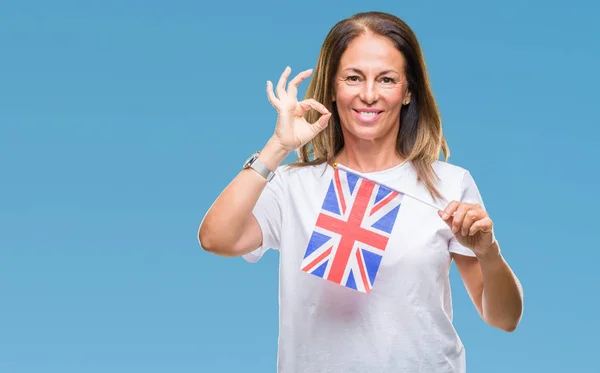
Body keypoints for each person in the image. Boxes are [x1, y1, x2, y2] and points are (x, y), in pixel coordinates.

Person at [198, 11, 523, 373]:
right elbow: (215, 238)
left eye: (386, 79)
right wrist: (277, 147)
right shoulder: (294, 185)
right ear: (333, 89)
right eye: (353, 78)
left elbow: (504, 319)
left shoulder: (449, 184)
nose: (368, 94)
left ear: (408, 91)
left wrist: (488, 253)